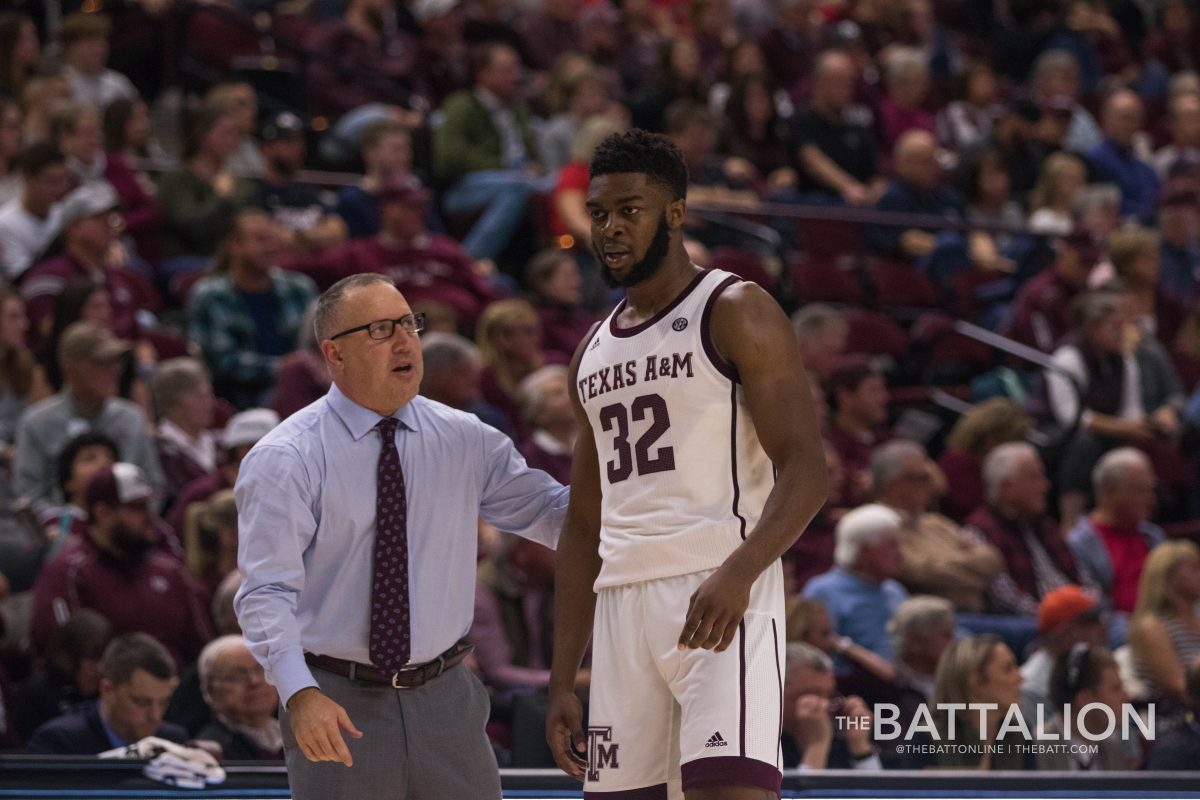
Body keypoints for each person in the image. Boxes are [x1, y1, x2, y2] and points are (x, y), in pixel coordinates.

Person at [545, 129, 827, 799]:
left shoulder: (734, 309)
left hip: (720, 590)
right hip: (622, 604)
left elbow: (809, 468)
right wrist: (562, 678)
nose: (611, 229)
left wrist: (741, 574)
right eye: (601, 213)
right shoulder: (591, 350)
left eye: (630, 210)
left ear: (674, 213)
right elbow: (584, 524)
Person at [234, 273, 570, 798]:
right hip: (336, 699)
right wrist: (299, 693)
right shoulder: (287, 457)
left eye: (409, 324)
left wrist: (633, 483)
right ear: (335, 353)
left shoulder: (466, 438)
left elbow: (554, 515)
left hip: (448, 696)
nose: (404, 340)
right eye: (380, 329)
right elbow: (265, 593)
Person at [30, 463, 214, 666]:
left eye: (148, 505)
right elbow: (65, 661)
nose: (149, 517)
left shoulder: (170, 571)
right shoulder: (68, 573)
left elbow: (203, 648)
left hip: (175, 689)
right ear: (102, 513)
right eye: (136, 508)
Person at [13, 322, 165, 519]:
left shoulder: (131, 417)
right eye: (101, 363)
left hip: (129, 536)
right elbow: (29, 498)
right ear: (70, 370)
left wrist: (129, 522)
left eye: (116, 361)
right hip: (64, 538)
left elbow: (155, 485)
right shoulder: (37, 423)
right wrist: (70, 526)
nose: (115, 370)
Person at [187, 210, 317, 408]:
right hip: (243, 397)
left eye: (273, 239)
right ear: (234, 245)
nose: (271, 247)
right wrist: (285, 368)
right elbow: (222, 362)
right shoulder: (210, 295)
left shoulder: (300, 288)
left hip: (306, 387)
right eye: (261, 240)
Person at [26, 632, 185, 754]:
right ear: (107, 690)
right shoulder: (59, 744)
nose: (155, 716)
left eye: (163, 702)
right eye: (141, 702)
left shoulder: (172, 742)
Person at [803, 505, 908, 662]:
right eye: (892, 545)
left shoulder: (894, 590)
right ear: (864, 551)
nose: (901, 554)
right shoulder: (823, 591)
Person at [1066, 448, 1165, 616]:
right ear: (1108, 492)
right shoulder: (1078, 543)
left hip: (1169, 621)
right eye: (1140, 490)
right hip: (1119, 630)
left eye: (1151, 489)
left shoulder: (1154, 535)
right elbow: (1093, 607)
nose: (1151, 499)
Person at [195, 635, 283, 760]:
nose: (254, 681)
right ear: (211, 691)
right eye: (237, 675)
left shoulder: (296, 732)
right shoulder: (211, 751)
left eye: (261, 670)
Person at [1019, 585, 1107, 709]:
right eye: (1092, 621)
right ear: (1066, 634)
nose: (1102, 626)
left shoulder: (1093, 664)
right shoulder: (1032, 688)